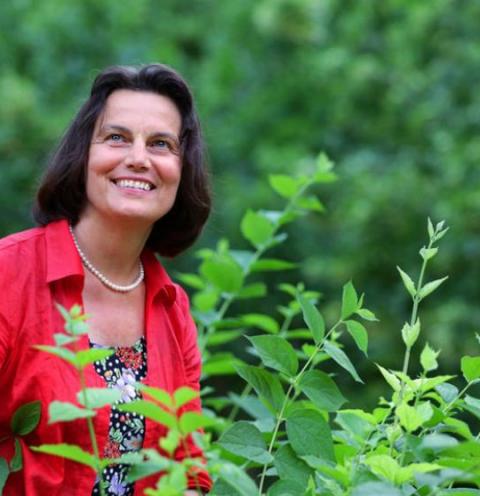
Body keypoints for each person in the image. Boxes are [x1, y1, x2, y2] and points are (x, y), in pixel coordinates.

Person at [0, 64, 212, 495]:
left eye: (161, 144)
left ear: (181, 168)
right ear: (83, 156)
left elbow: (187, 470)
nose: (138, 158)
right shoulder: (8, 275)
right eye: (117, 137)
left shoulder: (173, 309)